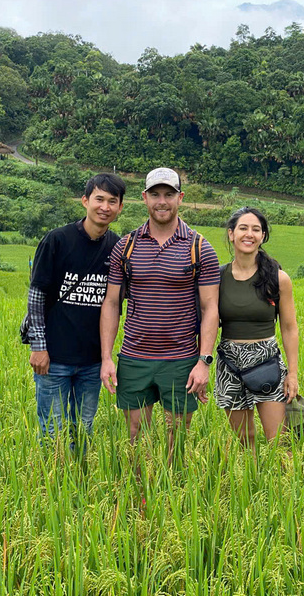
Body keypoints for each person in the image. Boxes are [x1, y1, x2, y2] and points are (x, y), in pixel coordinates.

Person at [99, 167, 220, 463]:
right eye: (155, 194)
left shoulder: (199, 247)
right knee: (135, 435)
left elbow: (210, 309)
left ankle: (173, 497)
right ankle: (140, 494)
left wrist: (204, 361)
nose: (161, 201)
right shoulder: (125, 246)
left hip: (180, 359)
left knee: (177, 437)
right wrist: (106, 357)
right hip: (134, 357)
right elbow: (112, 303)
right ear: (144, 198)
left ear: (181, 198)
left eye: (168, 194)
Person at [27, 173, 125, 448]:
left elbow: (116, 303)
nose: (105, 207)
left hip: (92, 361)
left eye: (112, 201)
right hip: (54, 357)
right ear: (85, 201)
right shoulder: (57, 240)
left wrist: (107, 357)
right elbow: (37, 295)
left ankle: (80, 482)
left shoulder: (117, 248)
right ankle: (53, 485)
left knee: (84, 429)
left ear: (120, 208)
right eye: (99, 199)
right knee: (52, 433)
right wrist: (38, 346)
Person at [215, 207, 299, 456]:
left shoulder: (277, 278)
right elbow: (206, 322)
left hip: (267, 362)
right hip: (230, 363)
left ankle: (286, 491)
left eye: (256, 229)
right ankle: (252, 486)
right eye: (243, 228)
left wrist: (292, 373)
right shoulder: (218, 277)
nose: (249, 234)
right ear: (231, 234)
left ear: (262, 236)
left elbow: (289, 327)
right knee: (245, 443)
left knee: (279, 443)